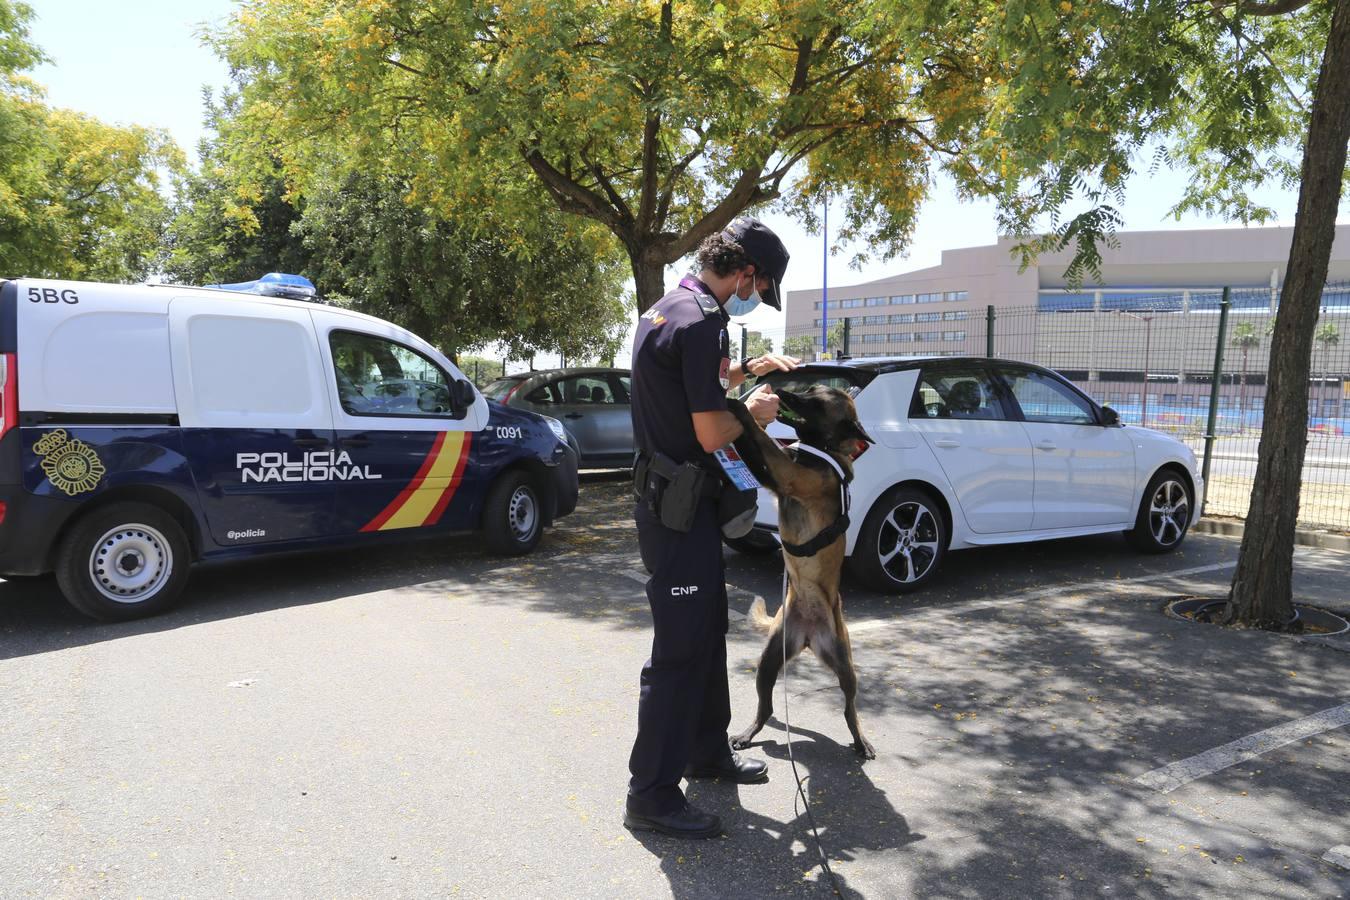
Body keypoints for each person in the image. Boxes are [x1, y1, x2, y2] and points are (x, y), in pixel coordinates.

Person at [623, 217, 799, 839]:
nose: (755, 295)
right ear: (746, 272)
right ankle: (650, 795)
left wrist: (746, 370)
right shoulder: (704, 321)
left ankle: (706, 752)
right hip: (678, 509)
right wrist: (751, 414)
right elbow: (708, 430)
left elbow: (687, 386)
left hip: (676, 502)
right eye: (759, 285)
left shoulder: (668, 308)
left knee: (706, 632)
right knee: (677, 651)